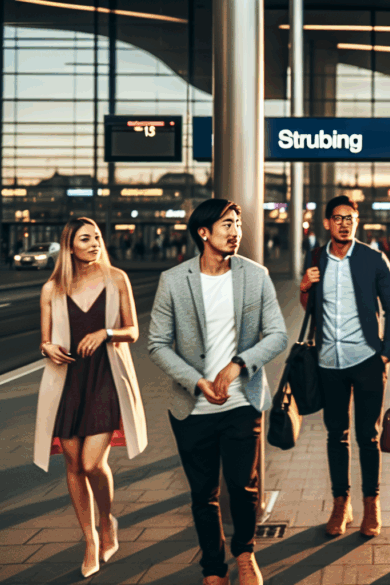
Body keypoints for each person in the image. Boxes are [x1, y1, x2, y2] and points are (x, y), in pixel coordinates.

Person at [148, 199, 288, 585]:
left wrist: (239, 363)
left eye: (238, 223)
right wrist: (197, 381)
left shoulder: (255, 275)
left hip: (242, 402)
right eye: (227, 224)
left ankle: (245, 554)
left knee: (244, 486)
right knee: (203, 494)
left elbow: (278, 334)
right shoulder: (174, 280)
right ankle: (213, 568)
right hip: (192, 408)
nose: (235, 231)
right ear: (203, 232)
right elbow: (157, 343)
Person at [34, 217, 148, 578]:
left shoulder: (117, 279)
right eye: (86, 238)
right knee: (71, 466)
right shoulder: (51, 289)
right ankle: (89, 540)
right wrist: (47, 348)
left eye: (97, 236)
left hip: (105, 380)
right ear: (70, 247)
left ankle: (106, 521)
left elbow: (133, 331)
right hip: (67, 383)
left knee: (90, 463)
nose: (95, 242)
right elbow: (45, 341)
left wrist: (106, 332)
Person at [299, 195, 390, 539]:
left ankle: (371, 502)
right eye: (337, 218)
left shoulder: (373, 259)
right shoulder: (316, 259)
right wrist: (304, 287)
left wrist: (385, 353)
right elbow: (309, 307)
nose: (344, 223)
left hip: (367, 360)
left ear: (357, 222)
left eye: (350, 218)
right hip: (328, 362)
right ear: (327, 223)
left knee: (367, 436)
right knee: (335, 435)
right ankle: (341, 503)